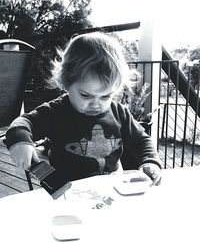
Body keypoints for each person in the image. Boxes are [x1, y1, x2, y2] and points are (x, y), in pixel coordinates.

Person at [6, 32, 162, 185]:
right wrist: (21, 142)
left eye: (105, 96)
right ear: (66, 83)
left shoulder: (119, 112)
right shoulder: (56, 112)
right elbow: (23, 123)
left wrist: (150, 161)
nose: (95, 104)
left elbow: (141, 139)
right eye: (86, 95)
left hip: (110, 188)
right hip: (68, 192)